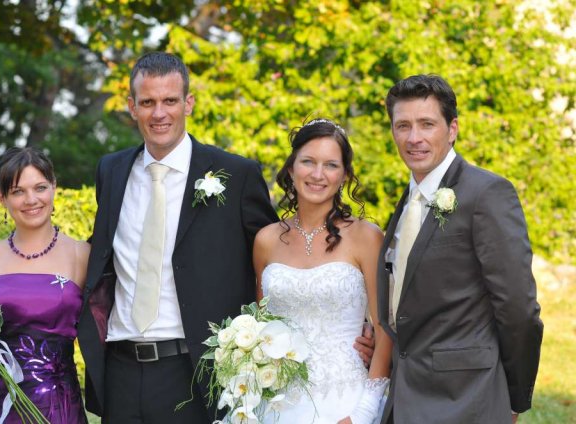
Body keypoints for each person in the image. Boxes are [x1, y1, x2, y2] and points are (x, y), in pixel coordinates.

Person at [76, 51, 280, 423]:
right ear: (132, 107)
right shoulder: (111, 171)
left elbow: (276, 264)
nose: (159, 113)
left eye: (170, 101)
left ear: (188, 103)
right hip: (119, 370)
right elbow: (99, 253)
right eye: (148, 102)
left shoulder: (236, 175)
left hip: (196, 372)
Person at [368, 74, 543, 423]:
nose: (413, 138)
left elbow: (518, 309)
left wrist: (513, 398)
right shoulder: (408, 200)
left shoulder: (487, 193)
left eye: (427, 124)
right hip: (405, 398)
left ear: (452, 129)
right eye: (403, 126)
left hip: (467, 399)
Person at [254, 118, 392, 424]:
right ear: (291, 169)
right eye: (308, 162)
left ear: (344, 175)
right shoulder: (265, 240)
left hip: (346, 403)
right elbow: (261, 329)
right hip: (276, 406)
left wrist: (363, 412)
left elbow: (384, 330)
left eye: (331, 165)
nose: (318, 174)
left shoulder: (366, 237)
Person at [0, 147, 91, 423]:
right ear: (1, 198)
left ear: (54, 188)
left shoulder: (82, 255)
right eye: (18, 191)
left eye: (40, 188)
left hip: (56, 406)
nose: (31, 200)